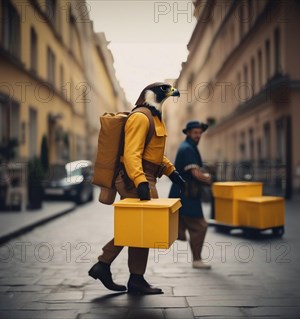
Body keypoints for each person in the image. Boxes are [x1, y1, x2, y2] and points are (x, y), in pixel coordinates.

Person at [88, 82, 186, 295]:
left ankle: (114, 270)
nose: (170, 92)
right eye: (164, 90)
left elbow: (153, 154)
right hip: (136, 179)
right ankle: (122, 272)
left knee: (139, 228)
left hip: (145, 176)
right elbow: (132, 153)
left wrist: (172, 172)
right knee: (142, 228)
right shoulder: (141, 117)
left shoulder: (154, 118)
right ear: (149, 94)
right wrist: (140, 181)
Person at [169, 121, 213, 270]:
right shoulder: (187, 148)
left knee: (187, 225)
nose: (198, 135)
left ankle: (180, 233)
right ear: (188, 133)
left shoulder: (188, 147)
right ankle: (197, 259)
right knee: (200, 226)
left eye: (200, 133)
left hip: (185, 193)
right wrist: (209, 179)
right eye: (195, 132)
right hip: (186, 195)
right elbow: (195, 173)